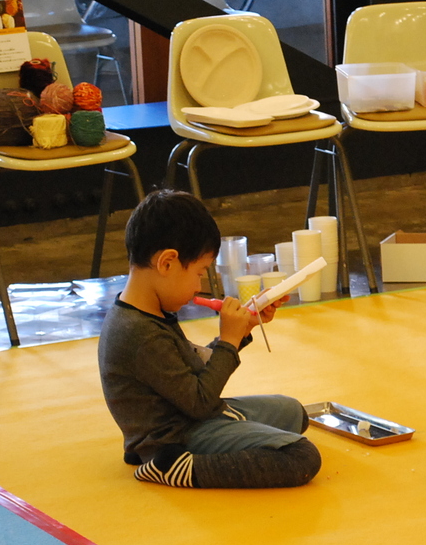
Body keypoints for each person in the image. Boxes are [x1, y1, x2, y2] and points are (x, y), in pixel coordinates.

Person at [98, 189, 321, 489]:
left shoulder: (149, 311)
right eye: (200, 272)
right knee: (301, 457)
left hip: (192, 415)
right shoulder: (138, 333)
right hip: (177, 435)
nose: (199, 285)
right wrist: (227, 341)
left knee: (294, 412)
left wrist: (242, 330)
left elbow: (193, 371)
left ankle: (179, 449)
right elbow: (201, 403)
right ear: (167, 263)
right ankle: (172, 466)